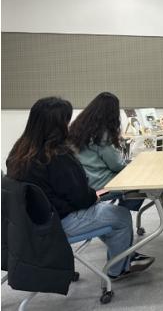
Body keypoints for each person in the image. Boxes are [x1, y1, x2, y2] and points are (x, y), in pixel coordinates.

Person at [5, 97, 154, 280]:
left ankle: (124, 254)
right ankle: (118, 270)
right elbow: (82, 198)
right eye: (66, 121)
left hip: (29, 222)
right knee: (120, 216)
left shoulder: (19, 151)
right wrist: (95, 197)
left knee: (106, 213)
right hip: (58, 222)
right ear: (58, 125)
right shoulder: (57, 156)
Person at [69, 92, 142, 211]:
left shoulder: (77, 128)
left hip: (83, 182)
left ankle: (120, 212)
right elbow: (116, 165)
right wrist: (132, 163)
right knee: (138, 182)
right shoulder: (101, 135)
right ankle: (122, 213)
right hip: (101, 185)